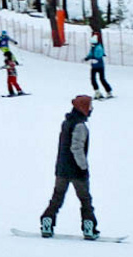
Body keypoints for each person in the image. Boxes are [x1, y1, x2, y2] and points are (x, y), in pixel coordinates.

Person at [40, 94, 98, 240]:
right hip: (77, 171)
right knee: (85, 200)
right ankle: (88, 227)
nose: (91, 109)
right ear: (83, 108)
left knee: (57, 198)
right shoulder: (80, 126)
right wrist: (83, 166)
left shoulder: (67, 122)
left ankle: (47, 221)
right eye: (89, 106)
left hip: (62, 169)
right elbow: (76, 148)